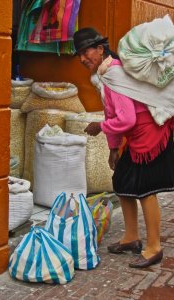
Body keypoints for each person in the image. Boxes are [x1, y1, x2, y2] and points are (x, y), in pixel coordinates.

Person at [73, 27, 174, 268]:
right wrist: (113, 148)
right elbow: (113, 112)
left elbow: (125, 119)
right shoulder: (106, 74)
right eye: (79, 54)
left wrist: (100, 126)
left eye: (86, 51)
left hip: (150, 134)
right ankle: (131, 237)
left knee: (145, 188)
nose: (83, 59)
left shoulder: (114, 75)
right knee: (122, 180)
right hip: (137, 135)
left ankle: (153, 248)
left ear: (100, 48)